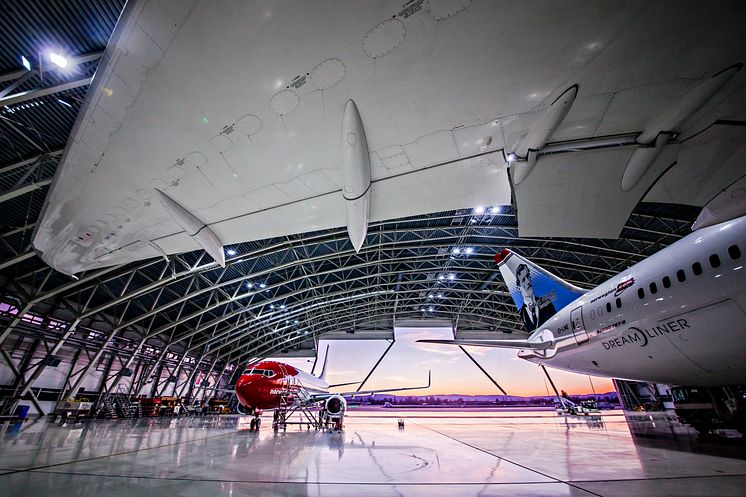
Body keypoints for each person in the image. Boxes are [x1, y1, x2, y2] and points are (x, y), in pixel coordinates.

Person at [515, 263, 556, 332]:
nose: (528, 281)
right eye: (523, 280)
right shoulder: (521, 312)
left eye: (528, 276)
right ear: (519, 288)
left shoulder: (546, 302)